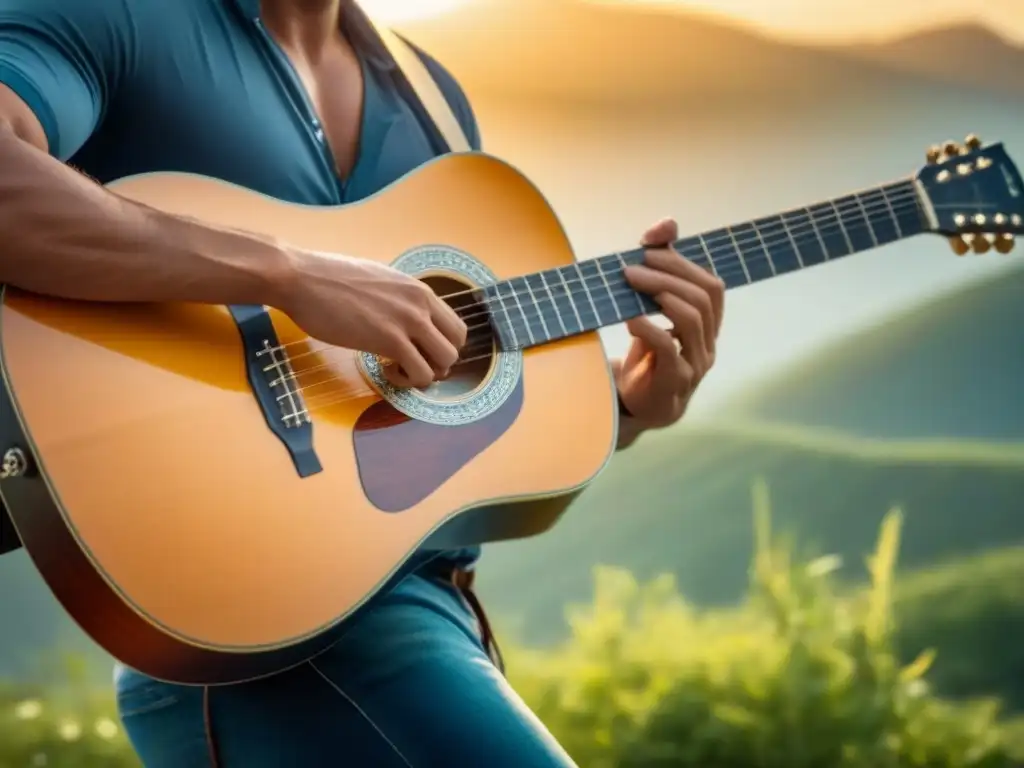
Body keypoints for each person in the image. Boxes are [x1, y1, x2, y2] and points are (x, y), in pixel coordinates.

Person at [0, 0, 726, 765]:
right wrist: (287, 271)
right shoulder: (114, 16)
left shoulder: (432, 98)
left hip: (421, 614)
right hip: (267, 634)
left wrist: (622, 404)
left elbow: (408, 405)